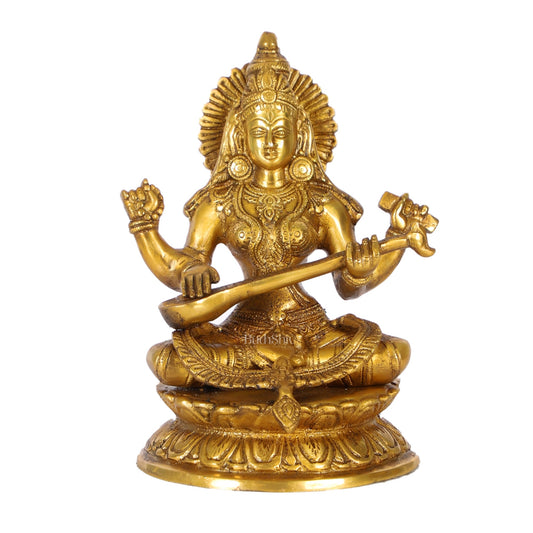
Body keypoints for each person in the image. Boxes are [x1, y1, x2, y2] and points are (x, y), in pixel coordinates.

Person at [122, 32, 424, 391]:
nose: (269, 143)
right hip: (241, 333)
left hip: (310, 331)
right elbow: (183, 265)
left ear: (301, 135)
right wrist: (150, 233)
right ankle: (292, 376)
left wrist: (379, 254)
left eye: (280, 132)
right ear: (240, 136)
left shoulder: (323, 203)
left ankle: (264, 379)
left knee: (390, 354)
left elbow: (347, 286)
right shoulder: (219, 201)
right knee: (166, 360)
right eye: (259, 132)